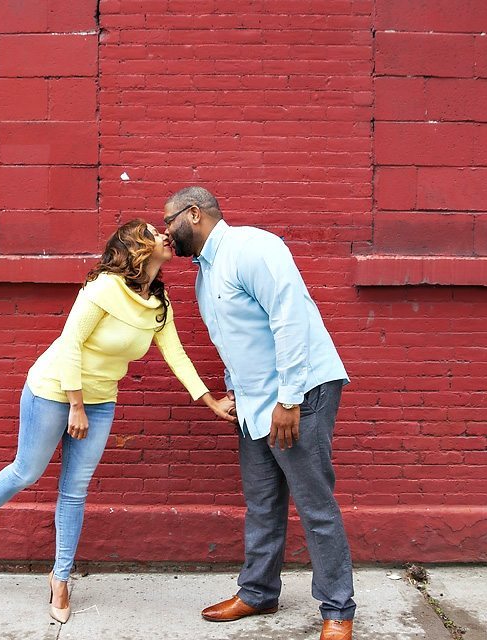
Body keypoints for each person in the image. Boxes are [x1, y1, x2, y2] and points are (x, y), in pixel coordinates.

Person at [0, 219, 236, 624]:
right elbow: (71, 342)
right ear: (134, 248)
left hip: (100, 401)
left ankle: (60, 579)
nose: (165, 234)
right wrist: (75, 404)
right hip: (54, 389)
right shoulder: (104, 288)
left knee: (75, 490)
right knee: (28, 471)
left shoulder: (158, 304)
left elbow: (177, 356)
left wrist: (210, 401)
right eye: (151, 231)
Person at [162, 186, 355, 640]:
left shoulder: (253, 247)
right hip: (254, 402)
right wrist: (234, 390)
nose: (164, 231)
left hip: (298, 394)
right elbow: (236, 337)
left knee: (314, 505)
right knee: (263, 503)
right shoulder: (204, 272)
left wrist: (289, 399)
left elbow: (289, 319)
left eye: (168, 220)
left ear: (193, 214)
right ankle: (258, 592)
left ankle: (338, 610)